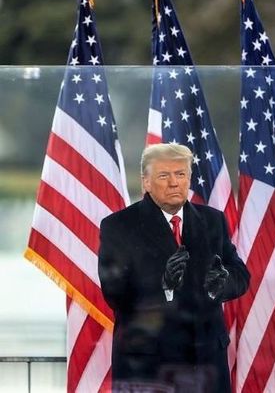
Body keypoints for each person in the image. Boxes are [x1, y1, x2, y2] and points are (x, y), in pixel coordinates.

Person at [98, 143, 249, 392]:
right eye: (163, 175)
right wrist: (163, 284)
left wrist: (221, 284)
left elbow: (241, 275)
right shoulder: (118, 226)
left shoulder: (212, 220)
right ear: (146, 182)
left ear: (189, 178)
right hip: (148, 368)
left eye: (180, 174)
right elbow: (115, 294)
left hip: (207, 365)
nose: (174, 183)